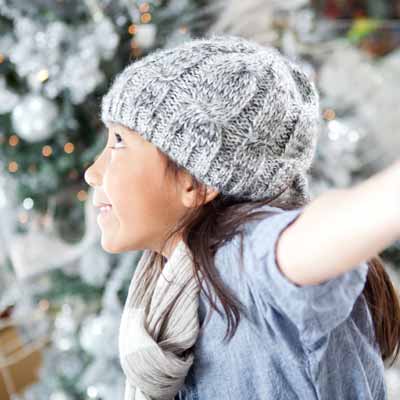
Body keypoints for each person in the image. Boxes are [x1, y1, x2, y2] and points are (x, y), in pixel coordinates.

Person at [84, 34, 400, 400]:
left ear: (196, 181)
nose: (93, 172)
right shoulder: (172, 282)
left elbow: (323, 233)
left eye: (120, 142)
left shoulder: (239, 262)